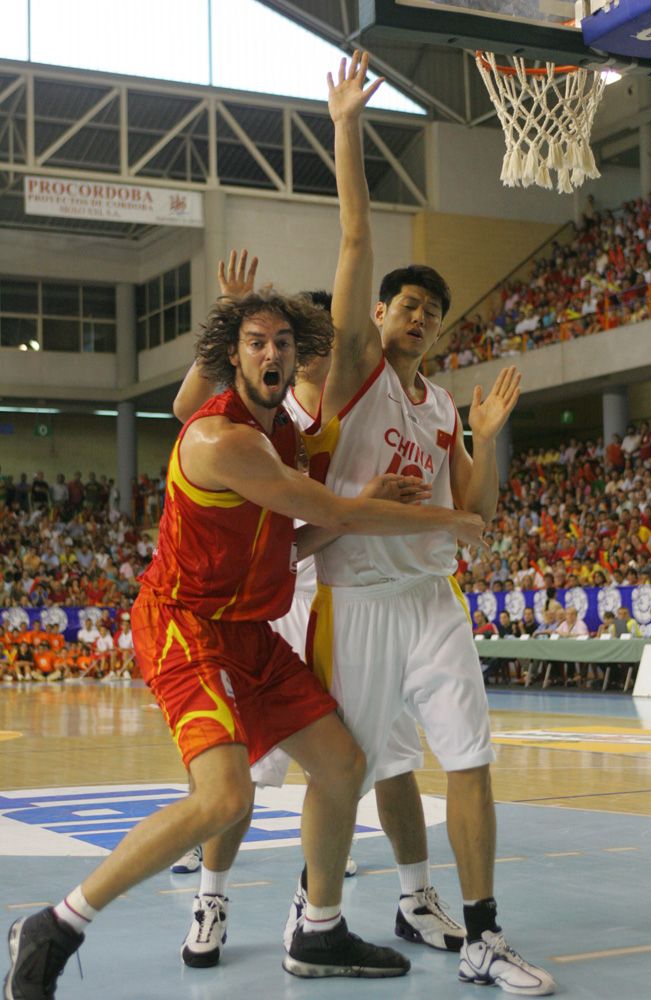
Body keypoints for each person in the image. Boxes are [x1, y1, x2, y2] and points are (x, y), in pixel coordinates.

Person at [5, 281, 488, 997]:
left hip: (250, 627)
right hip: (183, 624)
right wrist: (445, 521)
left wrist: (363, 507)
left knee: (342, 764)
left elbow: (303, 535)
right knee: (226, 797)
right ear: (233, 357)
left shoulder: (283, 433)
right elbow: (331, 512)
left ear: (298, 357)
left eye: (283, 342)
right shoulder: (220, 438)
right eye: (257, 341)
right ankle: (59, 922)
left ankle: (319, 928)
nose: (272, 352)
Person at [294, 53, 551, 995]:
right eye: (408, 306)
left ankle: (481, 935)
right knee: (344, 772)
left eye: (433, 313)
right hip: (354, 599)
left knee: (471, 757)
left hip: (430, 596)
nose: (421, 318)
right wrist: (347, 127)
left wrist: (486, 440)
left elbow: (473, 518)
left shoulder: (442, 406)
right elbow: (356, 240)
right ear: (376, 318)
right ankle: (314, 917)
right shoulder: (353, 370)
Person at [172, 260, 465, 953]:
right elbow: (191, 412)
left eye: (302, 341)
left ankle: (403, 896)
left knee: (386, 756)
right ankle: (211, 902)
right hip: (277, 603)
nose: (294, 353)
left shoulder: (335, 413)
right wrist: (228, 315)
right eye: (270, 343)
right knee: (246, 770)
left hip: (339, 584)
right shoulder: (261, 422)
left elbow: (337, 518)